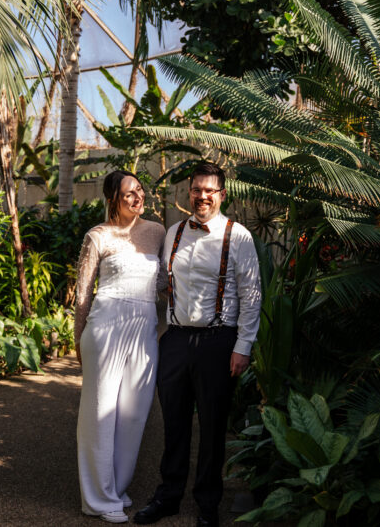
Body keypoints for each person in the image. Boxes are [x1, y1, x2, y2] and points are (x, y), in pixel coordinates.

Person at [134, 162, 263, 527]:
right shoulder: (174, 232)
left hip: (217, 341)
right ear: (188, 192)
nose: (202, 196)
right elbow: (161, 281)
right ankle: (168, 496)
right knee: (173, 423)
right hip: (174, 338)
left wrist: (243, 345)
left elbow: (252, 295)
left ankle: (208, 503)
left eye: (210, 190)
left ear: (222, 194)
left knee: (211, 426)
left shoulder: (237, 237)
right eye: (196, 189)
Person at [75, 170, 166, 524]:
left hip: (143, 329)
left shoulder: (157, 231)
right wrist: (78, 339)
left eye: (139, 191)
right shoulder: (97, 236)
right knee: (100, 413)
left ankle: (115, 488)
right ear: (113, 198)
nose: (136, 197)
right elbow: (83, 295)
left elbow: (161, 282)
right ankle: (97, 499)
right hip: (105, 326)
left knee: (134, 413)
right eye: (128, 193)